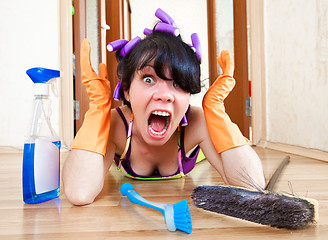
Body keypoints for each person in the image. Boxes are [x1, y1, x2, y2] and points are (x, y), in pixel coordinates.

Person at [63, 8, 265, 205]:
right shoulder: (116, 124)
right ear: (127, 90)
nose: (164, 95)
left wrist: (216, 109)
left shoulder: (197, 123)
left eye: (177, 83)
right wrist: (98, 108)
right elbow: (79, 193)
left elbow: (253, 185)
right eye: (149, 79)